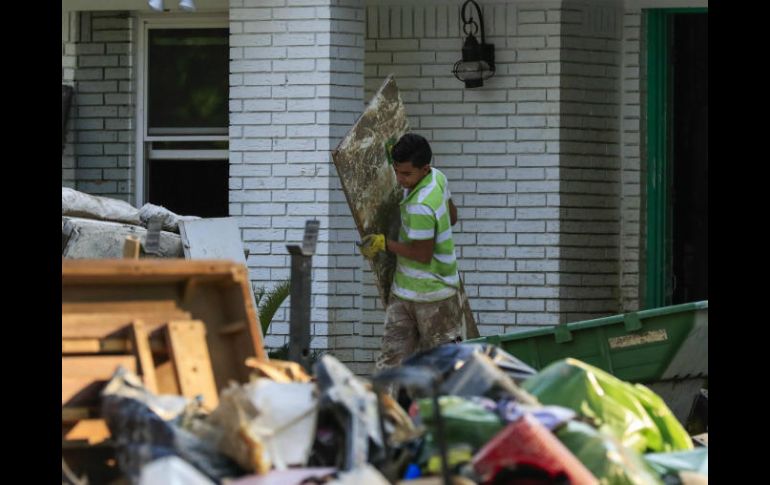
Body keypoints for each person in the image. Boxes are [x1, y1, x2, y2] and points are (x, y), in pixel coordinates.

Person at [358, 133, 465, 370]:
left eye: (406, 174)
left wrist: (384, 244)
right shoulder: (438, 177)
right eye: (397, 171)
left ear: (424, 168)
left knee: (440, 370)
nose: (400, 179)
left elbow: (422, 255)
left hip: (433, 298)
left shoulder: (421, 206)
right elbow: (453, 217)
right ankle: (387, 407)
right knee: (392, 364)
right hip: (406, 292)